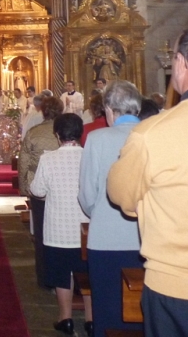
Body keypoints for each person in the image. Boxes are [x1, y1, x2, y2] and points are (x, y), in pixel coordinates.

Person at [108, 30, 188, 337]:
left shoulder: (151, 134)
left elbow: (122, 196)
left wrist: (150, 201)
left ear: (179, 64)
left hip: (174, 285)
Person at [78, 81, 143, 337]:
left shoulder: (96, 138)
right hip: (146, 240)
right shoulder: (154, 134)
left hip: (105, 240)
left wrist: (102, 214)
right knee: (142, 311)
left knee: (107, 309)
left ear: (109, 109)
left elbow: (86, 193)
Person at [30, 113, 92, 337]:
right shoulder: (89, 156)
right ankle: (90, 319)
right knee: (87, 277)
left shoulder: (48, 159)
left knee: (61, 275)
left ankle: (65, 318)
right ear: (80, 133)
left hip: (58, 229)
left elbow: (37, 190)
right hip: (86, 229)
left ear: (57, 135)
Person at [18, 96, 64, 289]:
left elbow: (24, 163)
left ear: (43, 111)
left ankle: (45, 277)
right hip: (64, 189)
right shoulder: (66, 130)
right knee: (63, 231)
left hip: (39, 188)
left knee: (41, 233)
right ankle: (64, 274)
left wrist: (24, 188)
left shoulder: (34, 133)